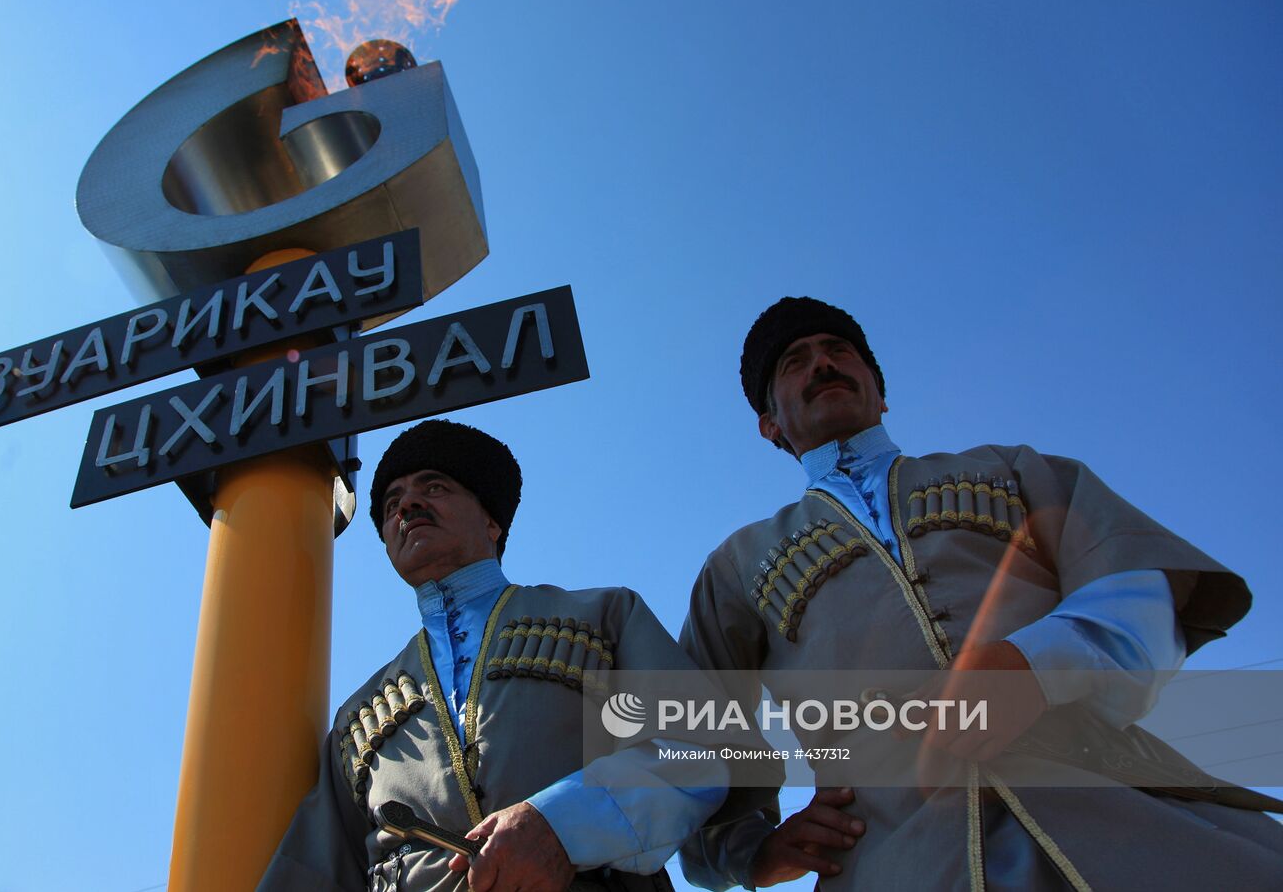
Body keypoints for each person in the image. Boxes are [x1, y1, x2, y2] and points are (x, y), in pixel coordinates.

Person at [679, 297, 1283, 891]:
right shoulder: (738, 564)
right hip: (891, 861)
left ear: (881, 393)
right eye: (795, 362)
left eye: (839, 350)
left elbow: (1134, 584)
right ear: (770, 424)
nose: (822, 364)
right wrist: (746, 850)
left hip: (1125, 818)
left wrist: (1033, 665)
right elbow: (692, 716)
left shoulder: (1010, 468)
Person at [260, 419, 727, 892]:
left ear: (492, 521)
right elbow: (310, 872)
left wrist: (561, 825)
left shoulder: (604, 616)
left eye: (434, 487)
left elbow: (703, 748)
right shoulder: (356, 720)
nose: (407, 505)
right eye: (391, 503)